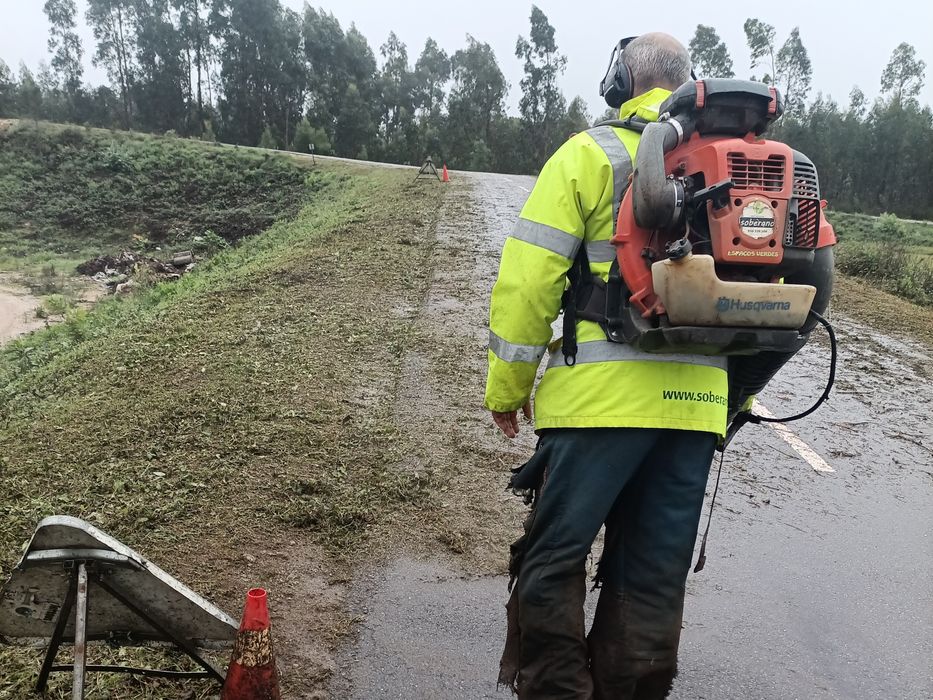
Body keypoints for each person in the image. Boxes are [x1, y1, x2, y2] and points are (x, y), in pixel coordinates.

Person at [486, 33, 728, 700]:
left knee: (551, 563)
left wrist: (506, 388)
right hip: (696, 413)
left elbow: (528, 284)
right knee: (651, 580)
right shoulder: (729, 167)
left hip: (598, 404)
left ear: (620, 78)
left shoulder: (588, 155)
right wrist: (725, 402)